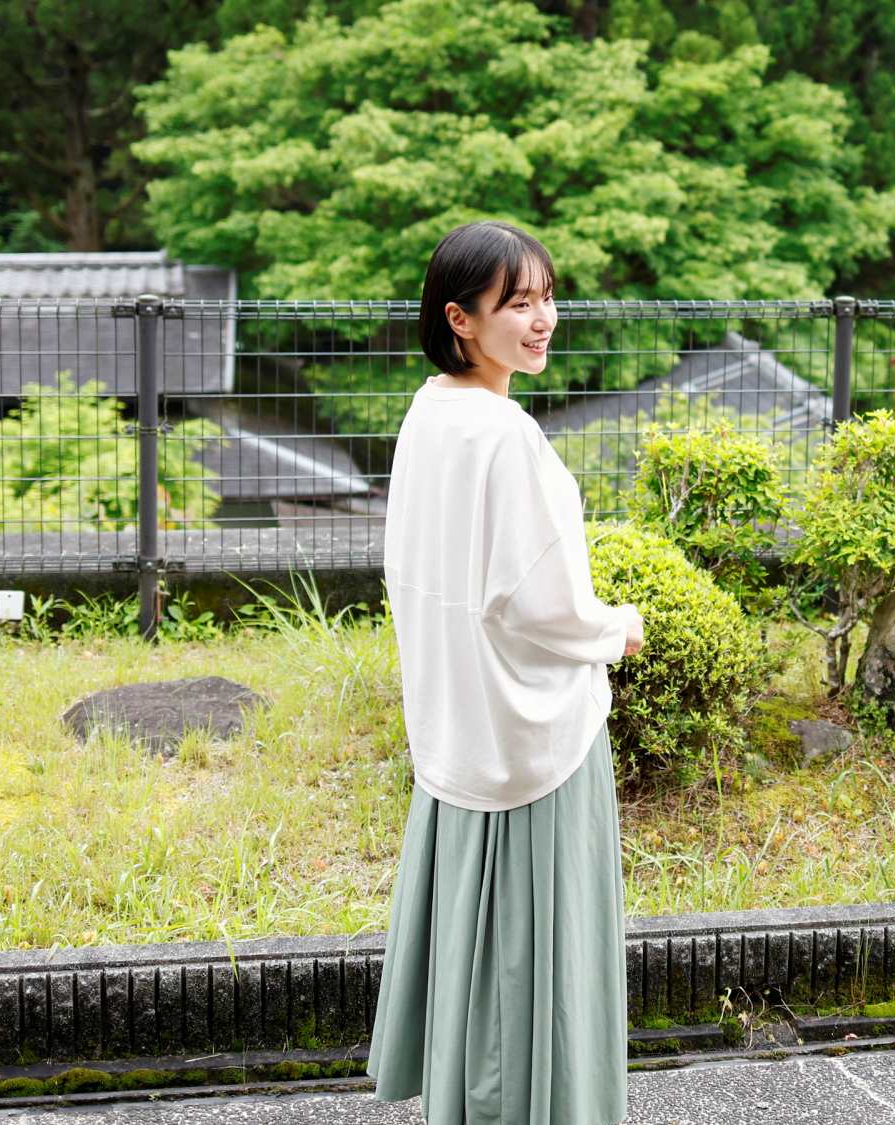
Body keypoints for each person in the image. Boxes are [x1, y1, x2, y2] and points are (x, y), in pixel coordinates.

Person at [366, 219, 644, 1125]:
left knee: (478, 957)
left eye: (547, 297)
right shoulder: (503, 434)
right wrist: (620, 628)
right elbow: (539, 602)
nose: (542, 320)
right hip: (534, 743)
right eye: (516, 303)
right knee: (541, 958)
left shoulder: (428, 412)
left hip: (457, 727)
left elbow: (424, 575)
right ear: (460, 317)